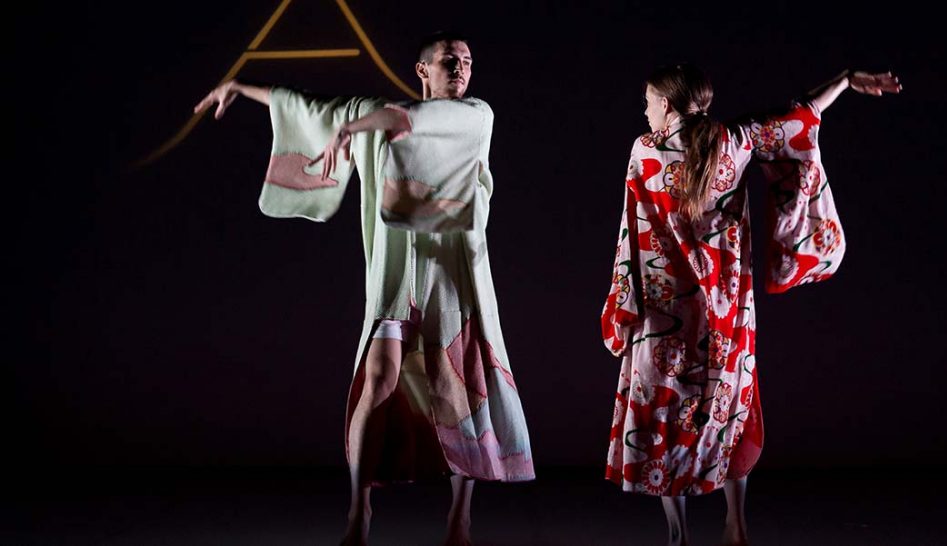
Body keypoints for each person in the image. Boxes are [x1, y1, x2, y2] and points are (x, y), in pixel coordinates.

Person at [194, 32, 534, 546]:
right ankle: (359, 513)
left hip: (452, 273)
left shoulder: (475, 115)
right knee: (377, 381)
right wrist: (242, 87)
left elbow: (405, 122)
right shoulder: (380, 110)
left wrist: (352, 128)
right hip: (396, 272)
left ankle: (459, 520)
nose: (461, 69)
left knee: (458, 389)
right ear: (422, 70)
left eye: (467, 61)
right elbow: (308, 109)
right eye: (449, 61)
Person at [600, 65, 900, 546]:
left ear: (669, 106)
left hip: (664, 316)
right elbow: (799, 116)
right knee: (730, 410)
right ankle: (736, 523)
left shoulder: (645, 150)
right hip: (727, 314)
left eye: (650, 102)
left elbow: (630, 236)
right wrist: (845, 79)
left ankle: (678, 535)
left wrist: (622, 307)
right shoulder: (735, 141)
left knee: (664, 417)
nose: (647, 110)